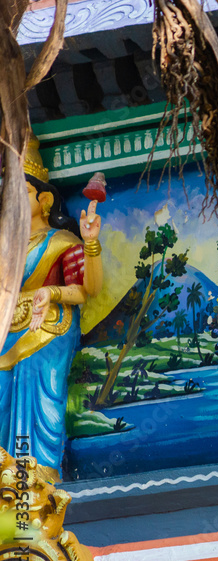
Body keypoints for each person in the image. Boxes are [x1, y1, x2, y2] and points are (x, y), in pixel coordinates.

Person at [0, 136, 103, 481]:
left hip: (45, 334)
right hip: (5, 334)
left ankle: (36, 478)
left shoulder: (61, 243)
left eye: (20, 192)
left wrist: (89, 245)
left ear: (43, 199)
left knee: (36, 392)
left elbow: (88, 289)